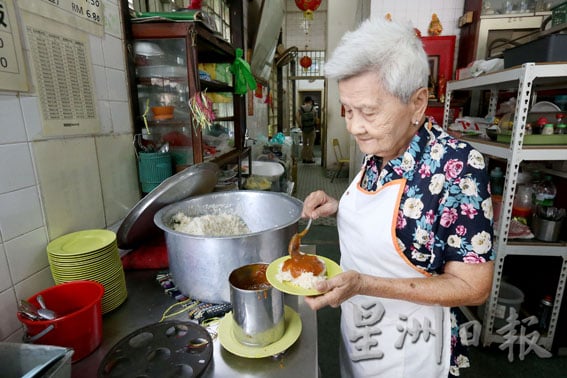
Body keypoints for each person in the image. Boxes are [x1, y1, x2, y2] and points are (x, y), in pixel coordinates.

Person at [301, 18, 495, 377]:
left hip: (410, 350)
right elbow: (401, 221)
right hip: (360, 331)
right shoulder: (379, 150)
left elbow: (474, 286)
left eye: (369, 111)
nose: (354, 126)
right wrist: (338, 207)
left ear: (417, 102)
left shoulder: (457, 167)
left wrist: (364, 284)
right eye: (347, 109)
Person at [296, 96, 319, 163]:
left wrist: (300, 125)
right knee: (311, 144)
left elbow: (297, 117)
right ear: (310, 101)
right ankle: (309, 159)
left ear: (305, 101)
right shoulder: (313, 108)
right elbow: (316, 119)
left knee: (304, 144)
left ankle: (304, 158)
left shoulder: (300, 108)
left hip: (304, 129)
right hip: (311, 129)